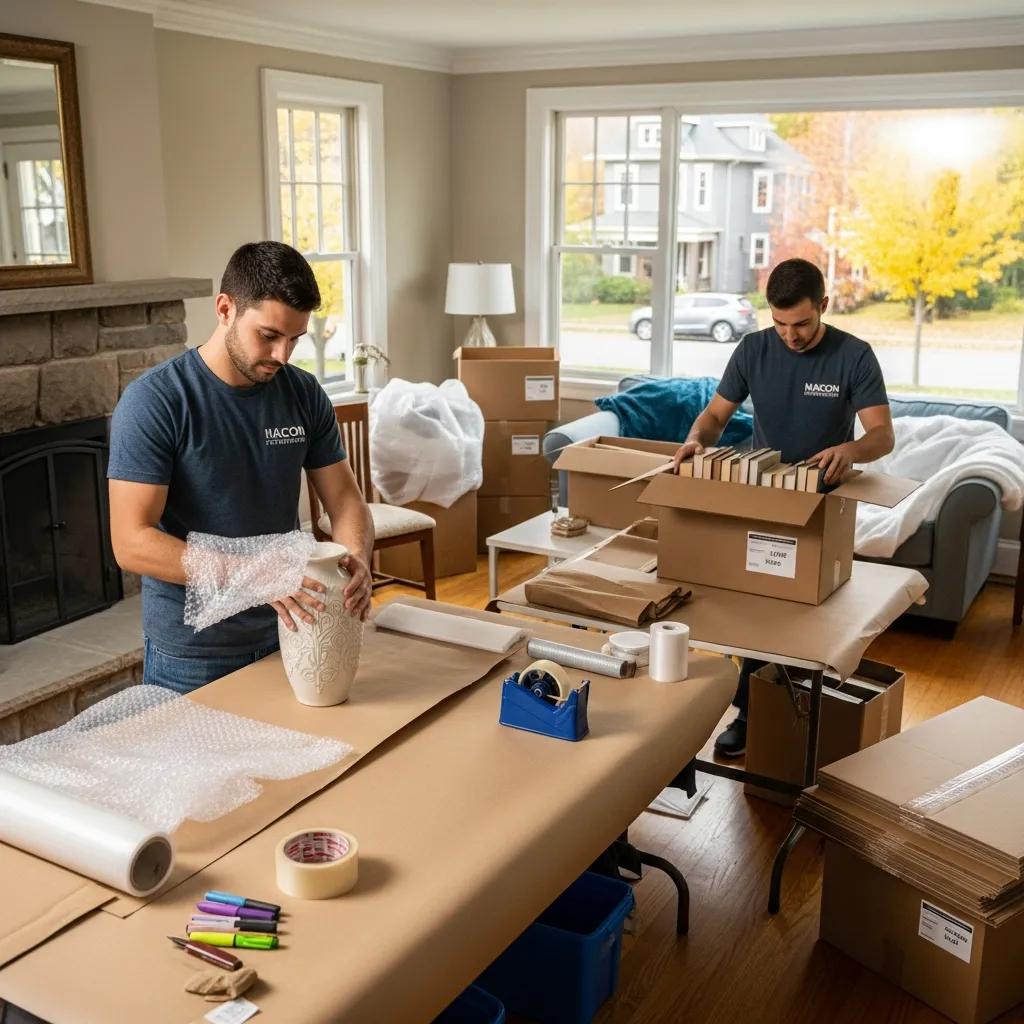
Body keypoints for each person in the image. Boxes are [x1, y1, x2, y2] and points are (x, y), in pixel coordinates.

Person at [108, 241, 374, 694]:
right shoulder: (155, 401)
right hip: (194, 653)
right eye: (269, 335)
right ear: (225, 309)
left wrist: (356, 560)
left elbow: (345, 498)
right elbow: (132, 543)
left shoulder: (303, 393)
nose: (283, 355)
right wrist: (257, 576)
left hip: (292, 630)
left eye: (295, 339)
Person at [672, 258, 895, 757]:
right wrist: (694, 440)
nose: (790, 336)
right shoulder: (753, 349)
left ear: (824, 306)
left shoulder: (854, 356)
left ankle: (782, 716)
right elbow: (714, 416)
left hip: (822, 503)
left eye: (801, 324)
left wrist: (852, 450)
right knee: (755, 606)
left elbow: (882, 435)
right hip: (764, 495)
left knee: (804, 614)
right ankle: (752, 712)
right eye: (779, 324)